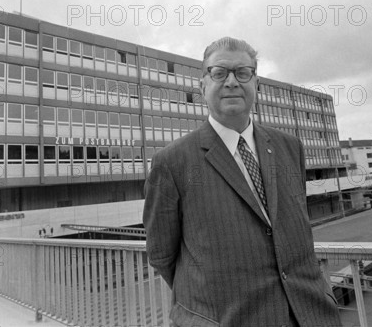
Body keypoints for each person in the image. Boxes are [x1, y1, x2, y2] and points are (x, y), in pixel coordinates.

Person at [143, 37, 341, 327]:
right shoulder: (172, 162)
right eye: (219, 73)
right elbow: (162, 254)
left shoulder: (291, 147)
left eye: (242, 72)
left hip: (310, 315)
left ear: (256, 83)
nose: (232, 82)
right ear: (202, 86)